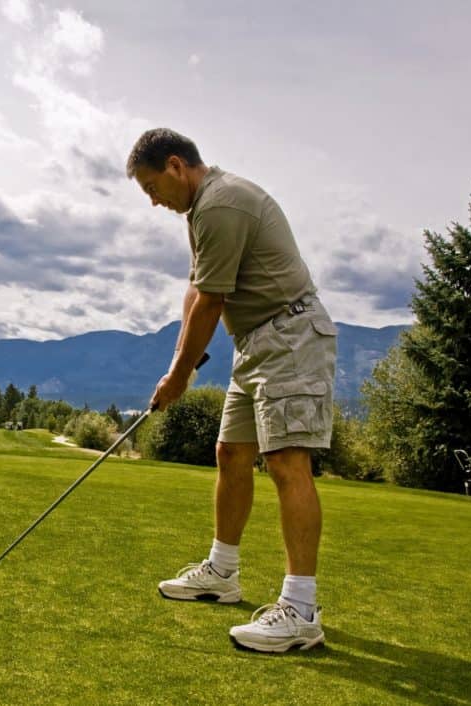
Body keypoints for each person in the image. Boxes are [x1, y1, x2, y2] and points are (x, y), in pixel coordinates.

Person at [126, 128, 337, 652]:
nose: (154, 202)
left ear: (176, 166)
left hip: (289, 334)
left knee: (287, 462)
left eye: (153, 187)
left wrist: (180, 376)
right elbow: (197, 290)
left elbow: (213, 302)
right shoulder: (201, 212)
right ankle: (222, 573)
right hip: (254, 342)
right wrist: (184, 362)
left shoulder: (222, 205)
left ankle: (301, 611)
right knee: (230, 452)